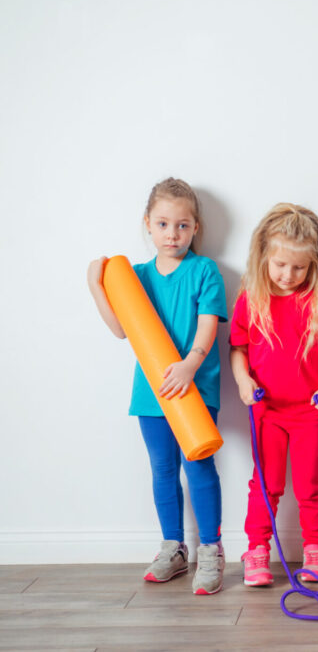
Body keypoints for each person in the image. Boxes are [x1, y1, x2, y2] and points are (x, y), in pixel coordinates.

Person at [87, 178, 227, 595]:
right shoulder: (137, 276)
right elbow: (120, 330)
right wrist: (97, 287)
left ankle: (212, 550)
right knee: (162, 471)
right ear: (148, 224)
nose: (172, 234)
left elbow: (207, 329)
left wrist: (189, 365)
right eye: (163, 224)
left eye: (182, 225)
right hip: (152, 392)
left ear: (196, 227)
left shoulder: (205, 271)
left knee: (198, 466)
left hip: (194, 386)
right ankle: (173, 547)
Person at [230, 203, 318, 588]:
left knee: (312, 484)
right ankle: (257, 550)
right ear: (264, 258)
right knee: (266, 484)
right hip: (267, 412)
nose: (288, 275)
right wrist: (244, 382)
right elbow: (238, 350)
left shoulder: (317, 302)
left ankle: (316, 549)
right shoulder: (252, 299)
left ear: (313, 265)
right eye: (280, 265)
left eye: (299, 267)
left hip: (309, 413)